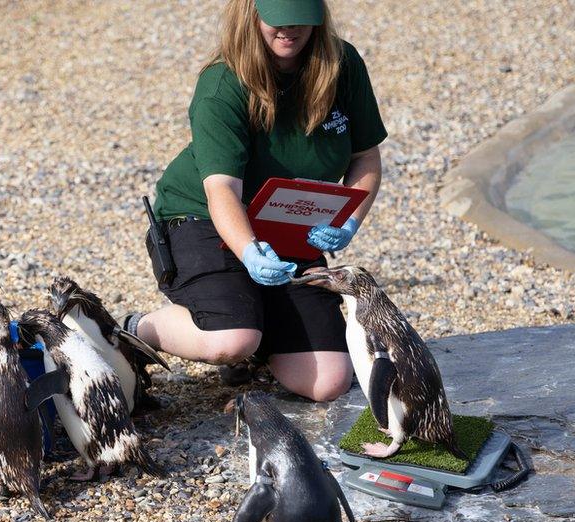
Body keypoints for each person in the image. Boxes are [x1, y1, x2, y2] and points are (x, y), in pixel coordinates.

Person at [127, 0, 386, 402]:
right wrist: (248, 252)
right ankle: (133, 329)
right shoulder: (221, 86)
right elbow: (221, 191)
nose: (290, 29)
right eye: (277, 20)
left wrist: (349, 218)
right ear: (251, 14)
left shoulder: (342, 63)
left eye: (301, 17)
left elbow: (366, 157)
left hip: (286, 216)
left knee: (328, 382)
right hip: (202, 217)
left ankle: (257, 324)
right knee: (230, 339)